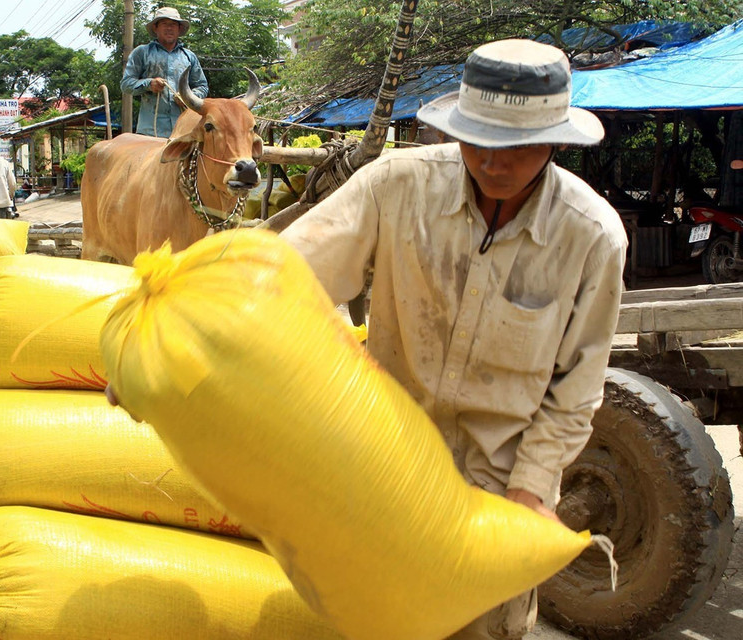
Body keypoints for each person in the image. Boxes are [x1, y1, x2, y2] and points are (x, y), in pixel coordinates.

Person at [280, 39, 627, 640]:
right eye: (477, 140)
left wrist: (532, 486)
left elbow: (577, 386)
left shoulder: (591, 237)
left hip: (491, 494)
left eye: (514, 146)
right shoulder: (395, 185)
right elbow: (284, 275)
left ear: (553, 142)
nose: (493, 162)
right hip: (378, 467)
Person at [120, 6, 209, 138]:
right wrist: (149, 84)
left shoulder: (189, 57)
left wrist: (188, 97)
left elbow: (202, 86)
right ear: (156, 28)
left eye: (173, 24)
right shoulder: (142, 52)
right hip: (150, 132)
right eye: (164, 24)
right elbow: (126, 85)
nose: (169, 28)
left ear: (179, 29)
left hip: (183, 131)